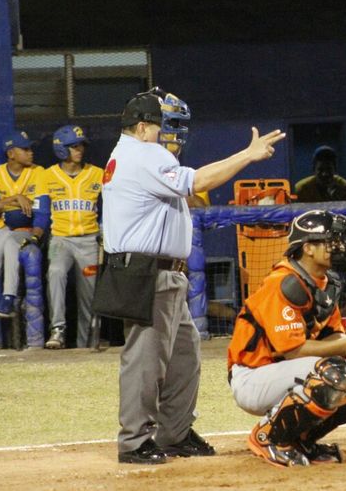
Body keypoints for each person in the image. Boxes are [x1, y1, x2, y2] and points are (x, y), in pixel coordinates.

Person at [98, 87, 286, 464]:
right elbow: (197, 183)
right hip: (148, 272)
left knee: (184, 353)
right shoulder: (143, 153)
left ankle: (175, 432)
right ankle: (135, 441)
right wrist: (247, 155)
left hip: (156, 271)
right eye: (162, 125)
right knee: (145, 360)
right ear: (142, 126)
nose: (168, 133)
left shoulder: (132, 153)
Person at [227, 210, 346, 467]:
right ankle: (268, 438)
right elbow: (292, 351)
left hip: (291, 371)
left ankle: (301, 440)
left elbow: (332, 336)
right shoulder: (283, 283)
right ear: (307, 248)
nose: (339, 247)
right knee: (333, 373)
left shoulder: (326, 284)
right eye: (331, 242)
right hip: (254, 377)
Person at [35, 125, 104, 349]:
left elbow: (109, 207)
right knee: (55, 272)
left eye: (81, 145)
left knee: (88, 293)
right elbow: (42, 212)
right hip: (60, 240)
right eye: (74, 146)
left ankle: (86, 342)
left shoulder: (97, 173)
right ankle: (58, 330)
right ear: (61, 149)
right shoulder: (47, 175)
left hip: (89, 241)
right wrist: (35, 233)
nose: (80, 150)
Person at [0, 130, 46, 318]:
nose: (30, 152)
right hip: (2, 228)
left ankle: (9, 296)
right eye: (25, 149)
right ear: (11, 153)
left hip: (24, 230)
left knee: (10, 241)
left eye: (30, 149)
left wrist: (36, 235)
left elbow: (42, 209)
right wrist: (15, 198)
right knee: (3, 239)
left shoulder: (38, 172)